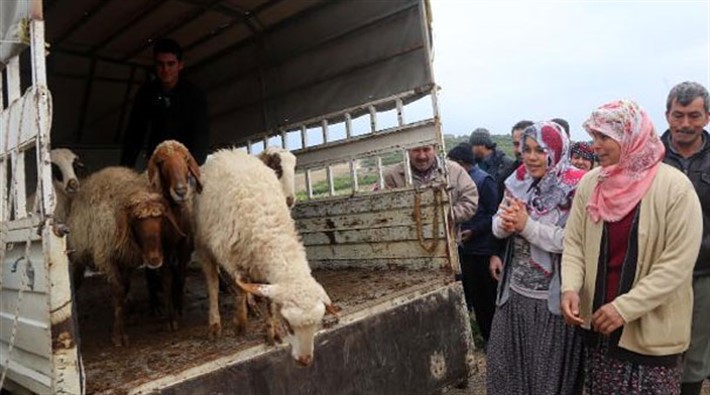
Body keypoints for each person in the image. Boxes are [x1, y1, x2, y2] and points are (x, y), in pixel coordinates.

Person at [561, 99, 703, 394]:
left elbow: (677, 263)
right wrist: (571, 288)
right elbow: (574, 242)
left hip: (651, 333)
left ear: (630, 136)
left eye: (604, 137)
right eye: (594, 136)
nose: (596, 145)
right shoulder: (592, 183)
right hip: (602, 326)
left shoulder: (675, 188)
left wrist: (624, 308)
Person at [486, 121, 585, 395]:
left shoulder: (576, 186)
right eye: (526, 149)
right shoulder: (518, 181)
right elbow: (497, 221)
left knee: (547, 378)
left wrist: (527, 227)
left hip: (551, 304)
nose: (531, 157)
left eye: (540, 150)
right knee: (508, 370)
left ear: (557, 151)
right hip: (515, 296)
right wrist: (504, 225)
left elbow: (574, 241)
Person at [660, 81, 710, 395]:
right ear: (667, 115)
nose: (685, 124)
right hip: (657, 273)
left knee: (696, 346)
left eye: (693, 116)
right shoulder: (651, 157)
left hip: (703, 271)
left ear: (707, 117)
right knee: (657, 343)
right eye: (678, 115)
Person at [120, 38, 210, 168]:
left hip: (186, 163)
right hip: (157, 162)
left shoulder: (195, 95)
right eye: (160, 64)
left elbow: (201, 136)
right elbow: (135, 133)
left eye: (170, 64)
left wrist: (192, 167)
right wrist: (125, 169)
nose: (165, 69)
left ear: (180, 65)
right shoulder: (146, 93)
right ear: (155, 65)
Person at [447, 143, 498, 343]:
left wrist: (475, 231)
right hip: (466, 250)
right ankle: (486, 339)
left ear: (461, 164)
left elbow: (495, 214)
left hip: (484, 250)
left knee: (490, 301)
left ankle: (496, 341)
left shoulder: (483, 181)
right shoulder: (459, 181)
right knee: (477, 300)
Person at [383, 144, 478, 225]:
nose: (422, 156)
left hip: (448, 241)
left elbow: (470, 200)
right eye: (416, 150)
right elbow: (382, 210)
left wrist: (445, 215)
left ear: (434, 149)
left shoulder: (454, 170)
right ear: (407, 151)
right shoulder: (391, 175)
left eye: (426, 149)